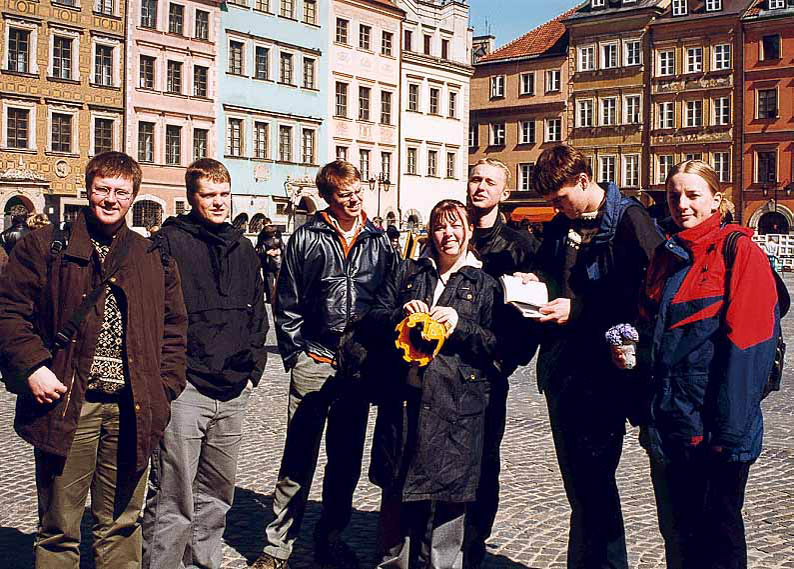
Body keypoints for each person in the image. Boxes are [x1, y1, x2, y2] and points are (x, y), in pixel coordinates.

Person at [0, 151, 188, 569]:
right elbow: (8, 312)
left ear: (133, 197)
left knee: (122, 524)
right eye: (103, 189)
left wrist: (165, 387)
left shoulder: (151, 256)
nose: (111, 199)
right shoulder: (46, 246)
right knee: (58, 531)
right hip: (68, 402)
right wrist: (32, 365)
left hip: (132, 407)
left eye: (121, 192)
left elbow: (175, 328)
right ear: (88, 190)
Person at [252, 160, 397, 569]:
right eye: (343, 195)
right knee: (299, 457)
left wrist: (372, 356)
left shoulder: (379, 240)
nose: (354, 199)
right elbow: (287, 302)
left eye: (357, 191)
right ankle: (277, 546)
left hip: (356, 368)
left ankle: (330, 536)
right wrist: (297, 355)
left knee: (345, 459)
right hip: (315, 359)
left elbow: (385, 301)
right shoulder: (306, 237)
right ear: (328, 198)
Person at [526, 144, 663, 569]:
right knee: (582, 487)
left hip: (606, 377)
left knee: (595, 484)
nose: (556, 208)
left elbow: (648, 296)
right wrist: (536, 282)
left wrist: (579, 310)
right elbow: (552, 273)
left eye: (560, 198)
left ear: (584, 181)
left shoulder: (630, 220)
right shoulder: (560, 224)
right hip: (563, 373)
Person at [639, 160, 780, 569]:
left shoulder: (740, 252)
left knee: (717, 544)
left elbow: (748, 350)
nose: (682, 204)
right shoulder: (665, 256)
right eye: (673, 196)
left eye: (693, 195)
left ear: (716, 199)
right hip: (669, 428)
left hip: (715, 436)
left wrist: (729, 437)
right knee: (678, 540)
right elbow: (653, 336)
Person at [142, 159, 268, 569]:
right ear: (192, 198)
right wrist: (167, 376)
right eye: (208, 195)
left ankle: (203, 565)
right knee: (172, 498)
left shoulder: (243, 246)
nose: (218, 203)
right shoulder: (170, 243)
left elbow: (257, 313)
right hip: (186, 388)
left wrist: (253, 370)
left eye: (223, 194)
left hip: (233, 389)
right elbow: (153, 313)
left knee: (216, 497)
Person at [366, 199, 502, 569]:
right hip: (407, 402)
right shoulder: (409, 272)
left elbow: (496, 344)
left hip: (456, 408)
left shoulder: (484, 283)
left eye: (456, 226)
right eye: (441, 227)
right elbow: (372, 317)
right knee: (398, 497)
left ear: (470, 231)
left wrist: (460, 325)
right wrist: (400, 314)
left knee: (449, 503)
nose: (448, 235)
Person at [463, 158, 539, 569]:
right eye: (475, 179)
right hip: (441, 367)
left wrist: (506, 359)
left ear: (504, 193)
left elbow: (533, 316)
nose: (480, 187)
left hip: (489, 371)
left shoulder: (519, 245)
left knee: (483, 458)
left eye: (490, 182)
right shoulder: (451, 232)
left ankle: (475, 540)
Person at [256, 223, 285, 304]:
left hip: (268, 263)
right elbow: (283, 248)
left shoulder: (264, 241)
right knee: (279, 281)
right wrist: (279, 251)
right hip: (278, 262)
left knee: (269, 282)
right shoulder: (278, 240)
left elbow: (260, 251)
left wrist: (267, 252)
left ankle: (270, 299)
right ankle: (279, 298)